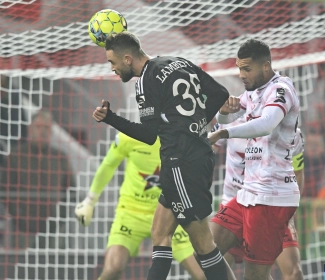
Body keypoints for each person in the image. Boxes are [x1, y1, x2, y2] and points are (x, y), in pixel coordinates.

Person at [92, 31, 235, 280]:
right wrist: (196, 126)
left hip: (181, 163)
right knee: (160, 233)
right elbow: (219, 93)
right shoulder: (177, 61)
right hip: (187, 159)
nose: (112, 69)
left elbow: (148, 135)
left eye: (112, 62)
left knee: (203, 244)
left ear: (127, 59)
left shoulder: (145, 81)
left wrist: (111, 118)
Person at [207, 38, 300, 280]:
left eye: (247, 69)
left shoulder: (281, 89)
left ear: (266, 66)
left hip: (271, 197)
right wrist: (223, 114)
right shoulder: (253, 93)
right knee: (206, 249)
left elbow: (267, 124)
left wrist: (225, 131)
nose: (241, 75)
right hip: (247, 195)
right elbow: (226, 118)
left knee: (257, 276)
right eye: (239, 68)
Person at [74, 132, 206, 280]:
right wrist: (90, 201)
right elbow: (108, 165)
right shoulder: (128, 137)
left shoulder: (182, 137)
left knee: (202, 275)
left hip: (170, 216)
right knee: (113, 268)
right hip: (131, 214)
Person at [213, 118, 305, 280]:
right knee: (209, 260)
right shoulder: (232, 124)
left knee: (293, 272)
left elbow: (297, 173)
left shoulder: (292, 134)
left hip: (270, 207)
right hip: (233, 207)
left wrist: (290, 214)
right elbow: (208, 146)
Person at [0, 109, 75, 249]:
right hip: (22, 228)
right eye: (39, 127)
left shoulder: (60, 157)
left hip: (53, 227)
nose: (43, 131)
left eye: (47, 127)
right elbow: (5, 189)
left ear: (52, 131)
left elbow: (71, 190)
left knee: (51, 266)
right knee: (21, 265)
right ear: (30, 129)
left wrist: (61, 216)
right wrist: (19, 216)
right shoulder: (16, 156)